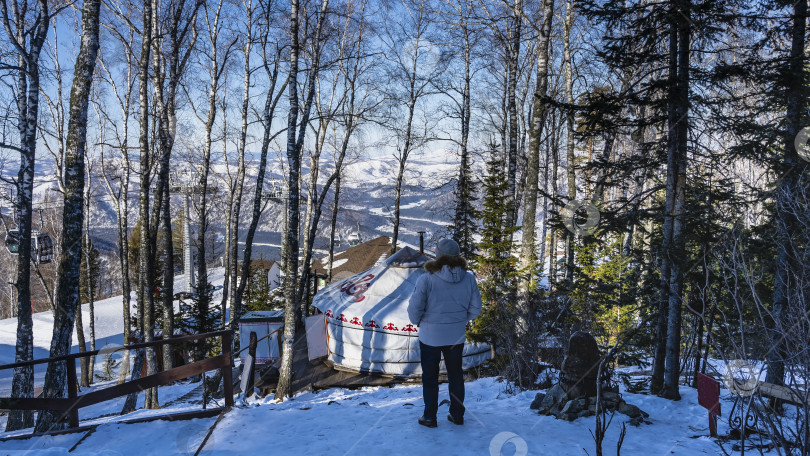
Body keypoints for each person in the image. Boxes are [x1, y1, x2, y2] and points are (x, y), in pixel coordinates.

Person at [407, 238, 482, 428]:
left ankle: (430, 417)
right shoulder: (469, 278)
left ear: (438, 256)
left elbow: (415, 310)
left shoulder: (426, 279)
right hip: (456, 336)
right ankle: (457, 414)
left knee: (430, 377)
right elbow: (476, 308)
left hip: (430, 336)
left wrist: (419, 322)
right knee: (455, 375)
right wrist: (461, 320)